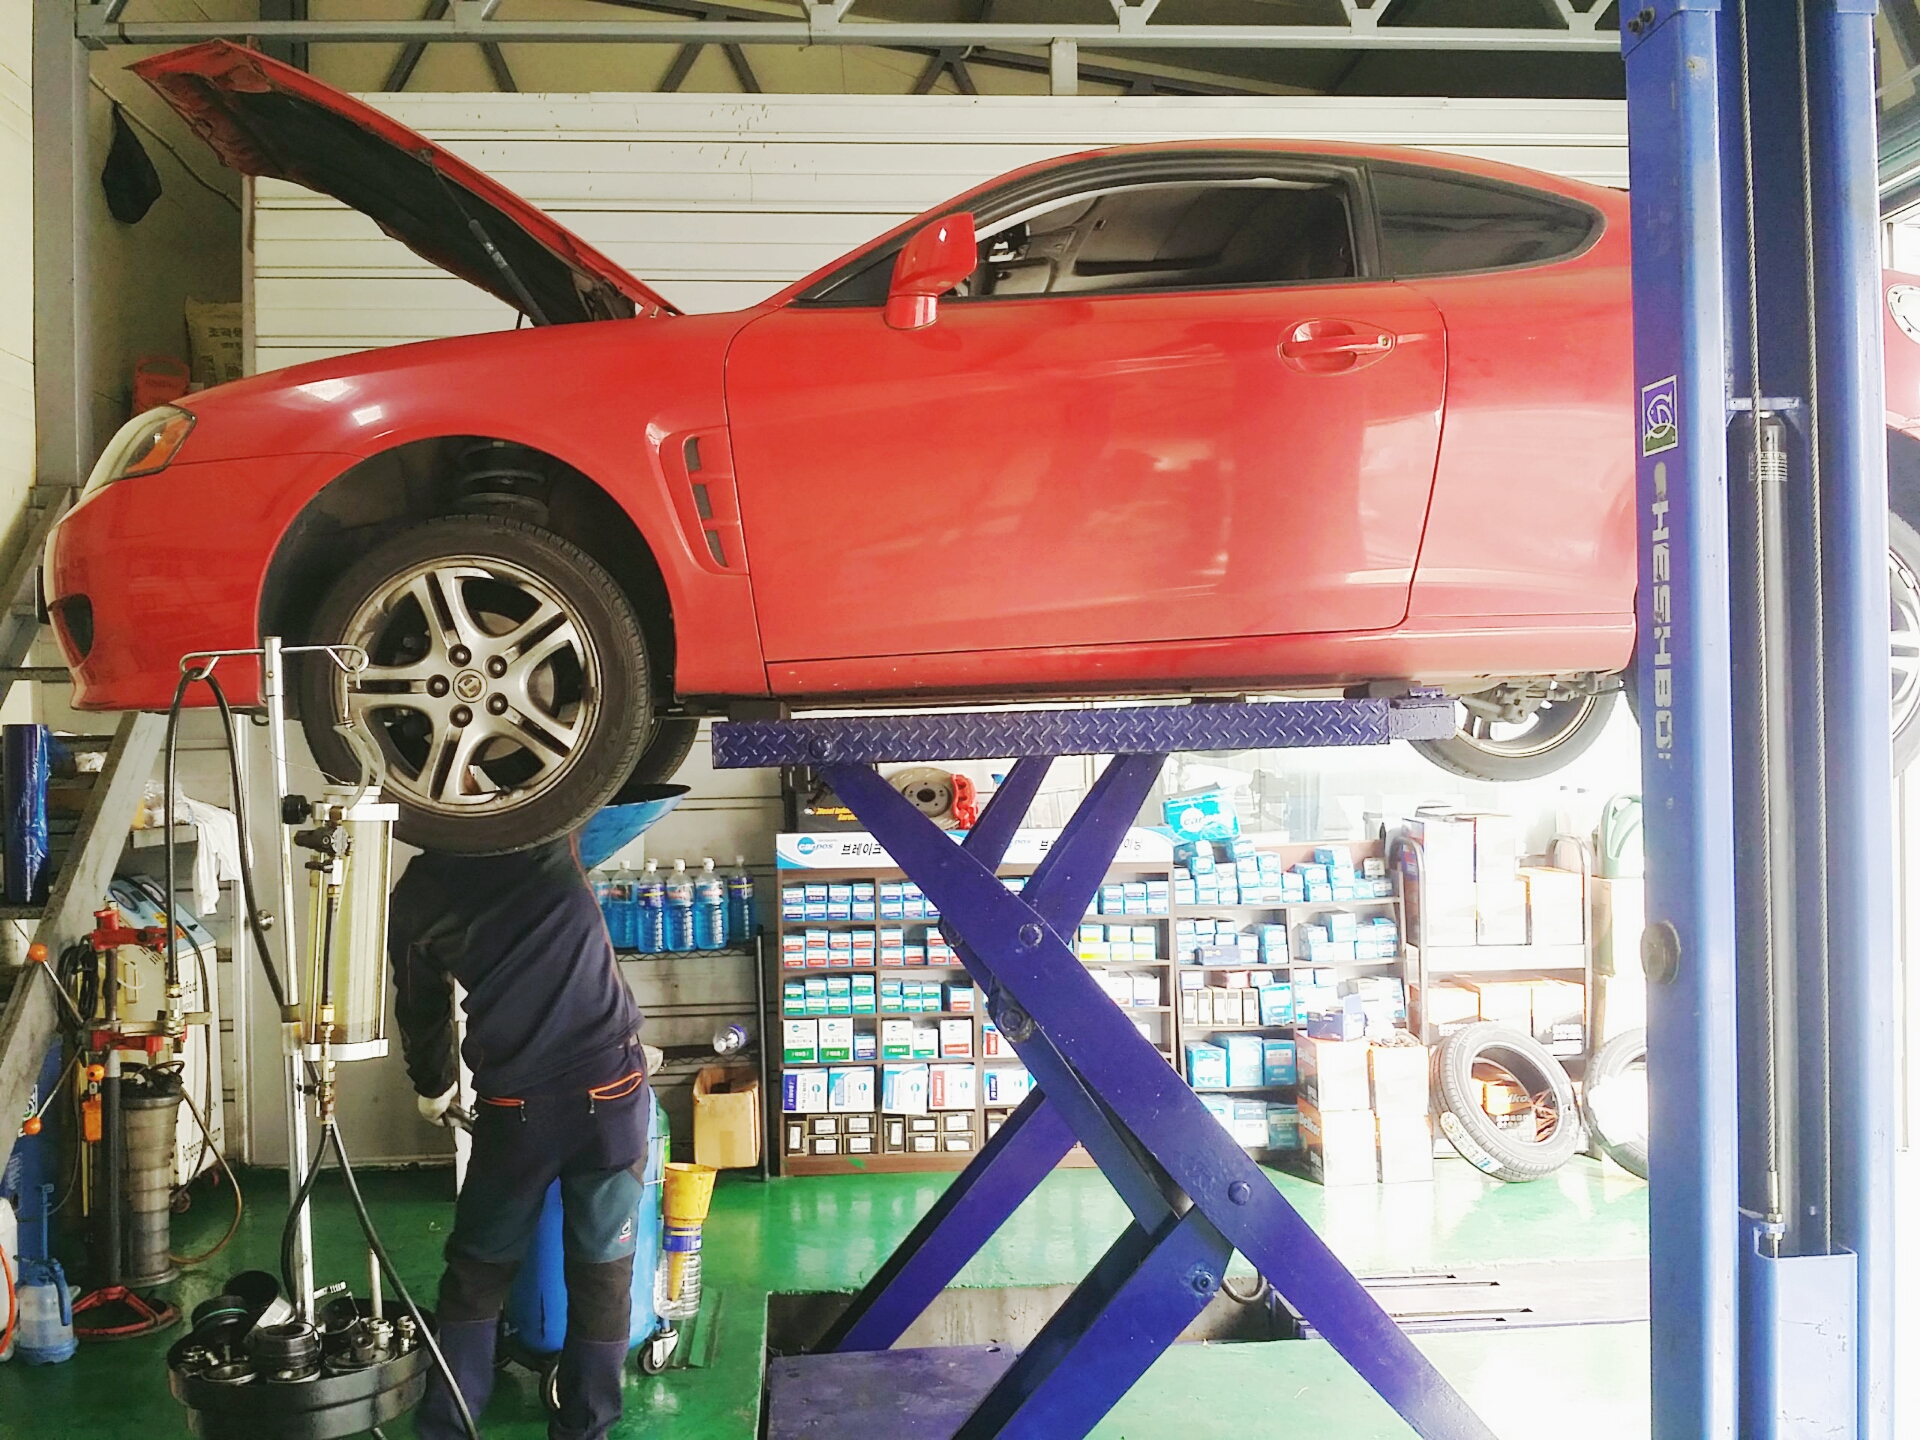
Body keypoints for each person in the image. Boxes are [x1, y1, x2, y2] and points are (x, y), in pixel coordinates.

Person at [389, 783, 684, 1440]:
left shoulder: (417, 894)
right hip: (611, 1094)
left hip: (516, 1109)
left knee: (477, 1274)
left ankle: (448, 1429)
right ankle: (585, 1428)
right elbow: (609, 768)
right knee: (603, 1272)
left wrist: (433, 1085)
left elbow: (421, 1006)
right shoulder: (548, 836)